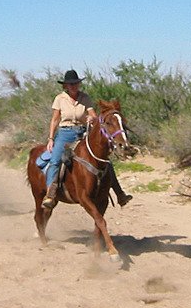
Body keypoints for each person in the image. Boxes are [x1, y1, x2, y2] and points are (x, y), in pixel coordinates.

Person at [42, 69, 132, 209]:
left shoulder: (85, 98)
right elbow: (55, 120)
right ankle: (50, 194)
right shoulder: (60, 98)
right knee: (55, 160)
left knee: (105, 161)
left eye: (76, 84)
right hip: (65, 133)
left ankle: (119, 193)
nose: (73, 86)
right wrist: (51, 138)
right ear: (65, 85)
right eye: (70, 84)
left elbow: (93, 115)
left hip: (82, 132)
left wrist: (91, 118)